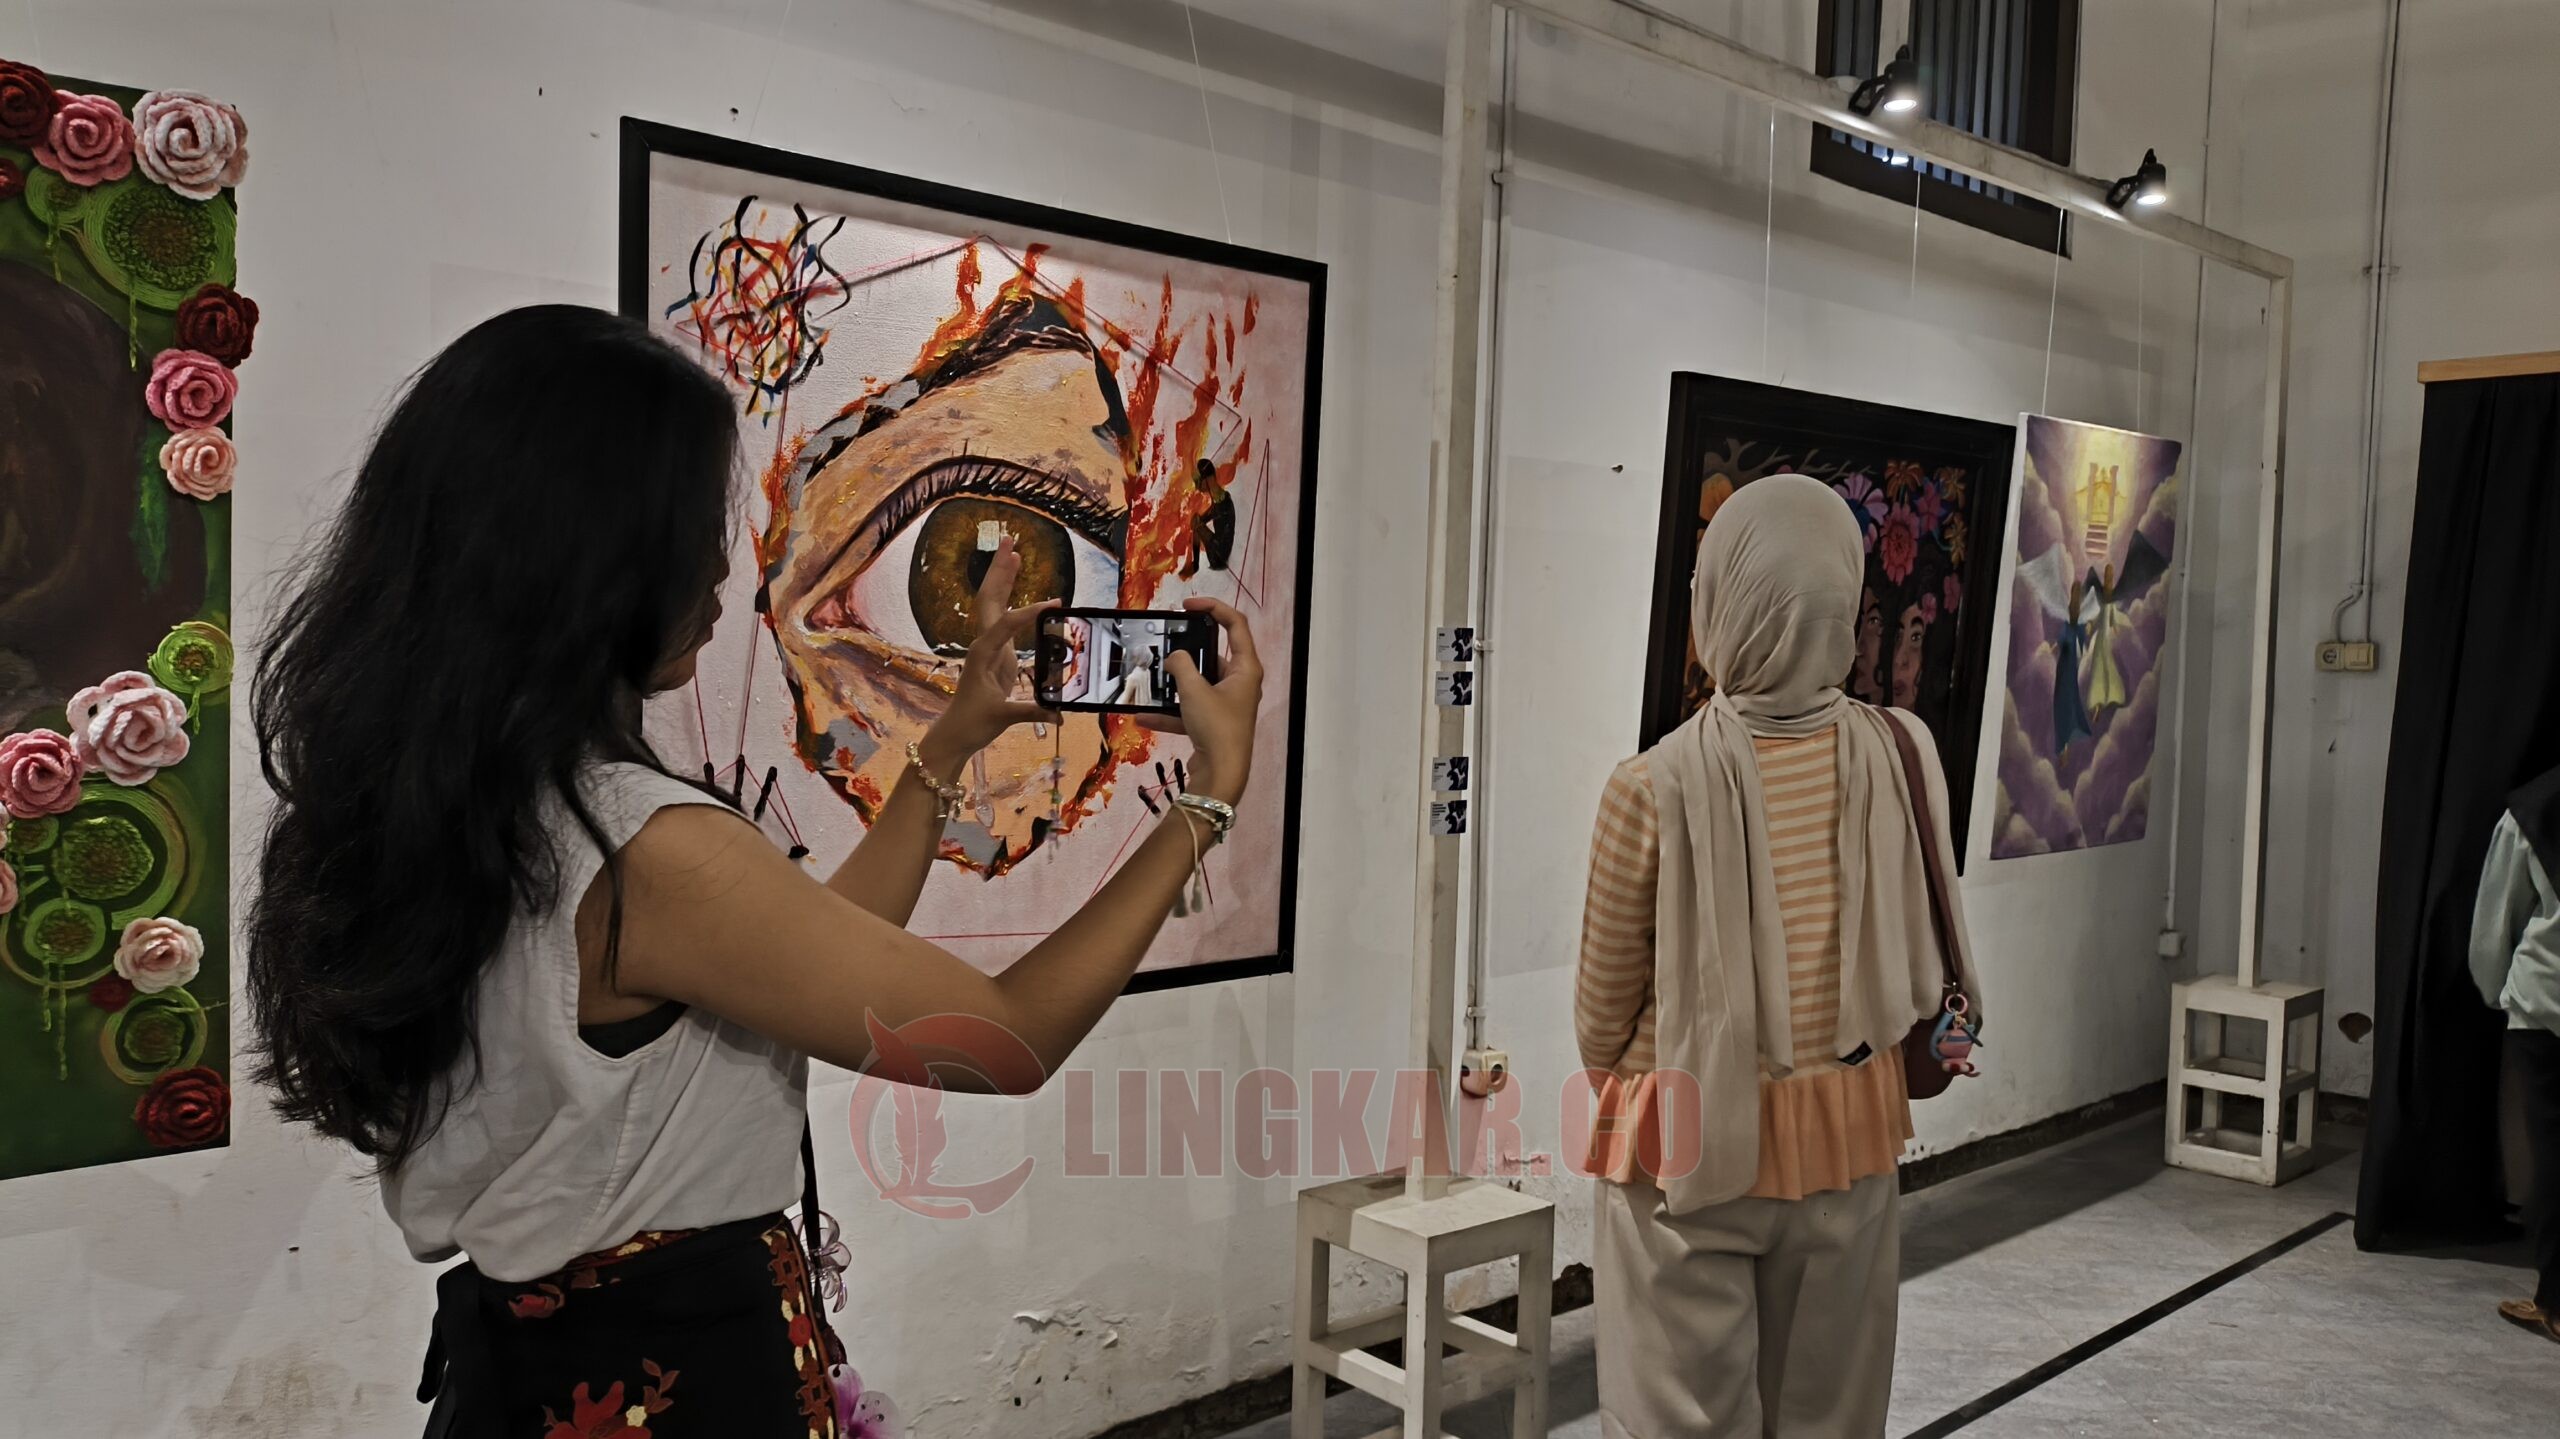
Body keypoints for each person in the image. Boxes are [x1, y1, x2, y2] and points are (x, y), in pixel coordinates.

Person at [246, 306, 1263, 1437]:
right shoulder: (646, 844)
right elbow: (1003, 1038)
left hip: (533, 1375)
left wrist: (951, 739)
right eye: (693, 530)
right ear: (590, 559)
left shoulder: (452, 802)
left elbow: (807, 954)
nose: (726, 569)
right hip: (673, 1383)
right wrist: (1207, 798)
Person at [1574, 475, 1983, 1438]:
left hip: (1688, 1143)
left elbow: (1601, 1014)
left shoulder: (1650, 785)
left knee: (1679, 1417)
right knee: (1831, 1414)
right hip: (1849, 1132)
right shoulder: (1903, 750)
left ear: (1722, 602)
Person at [2471, 761, 2560, 1345]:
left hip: (2548, 1009)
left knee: (2554, 1156)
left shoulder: (2533, 809)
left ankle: (2556, 1301)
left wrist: (2499, 993)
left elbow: (2493, 927)